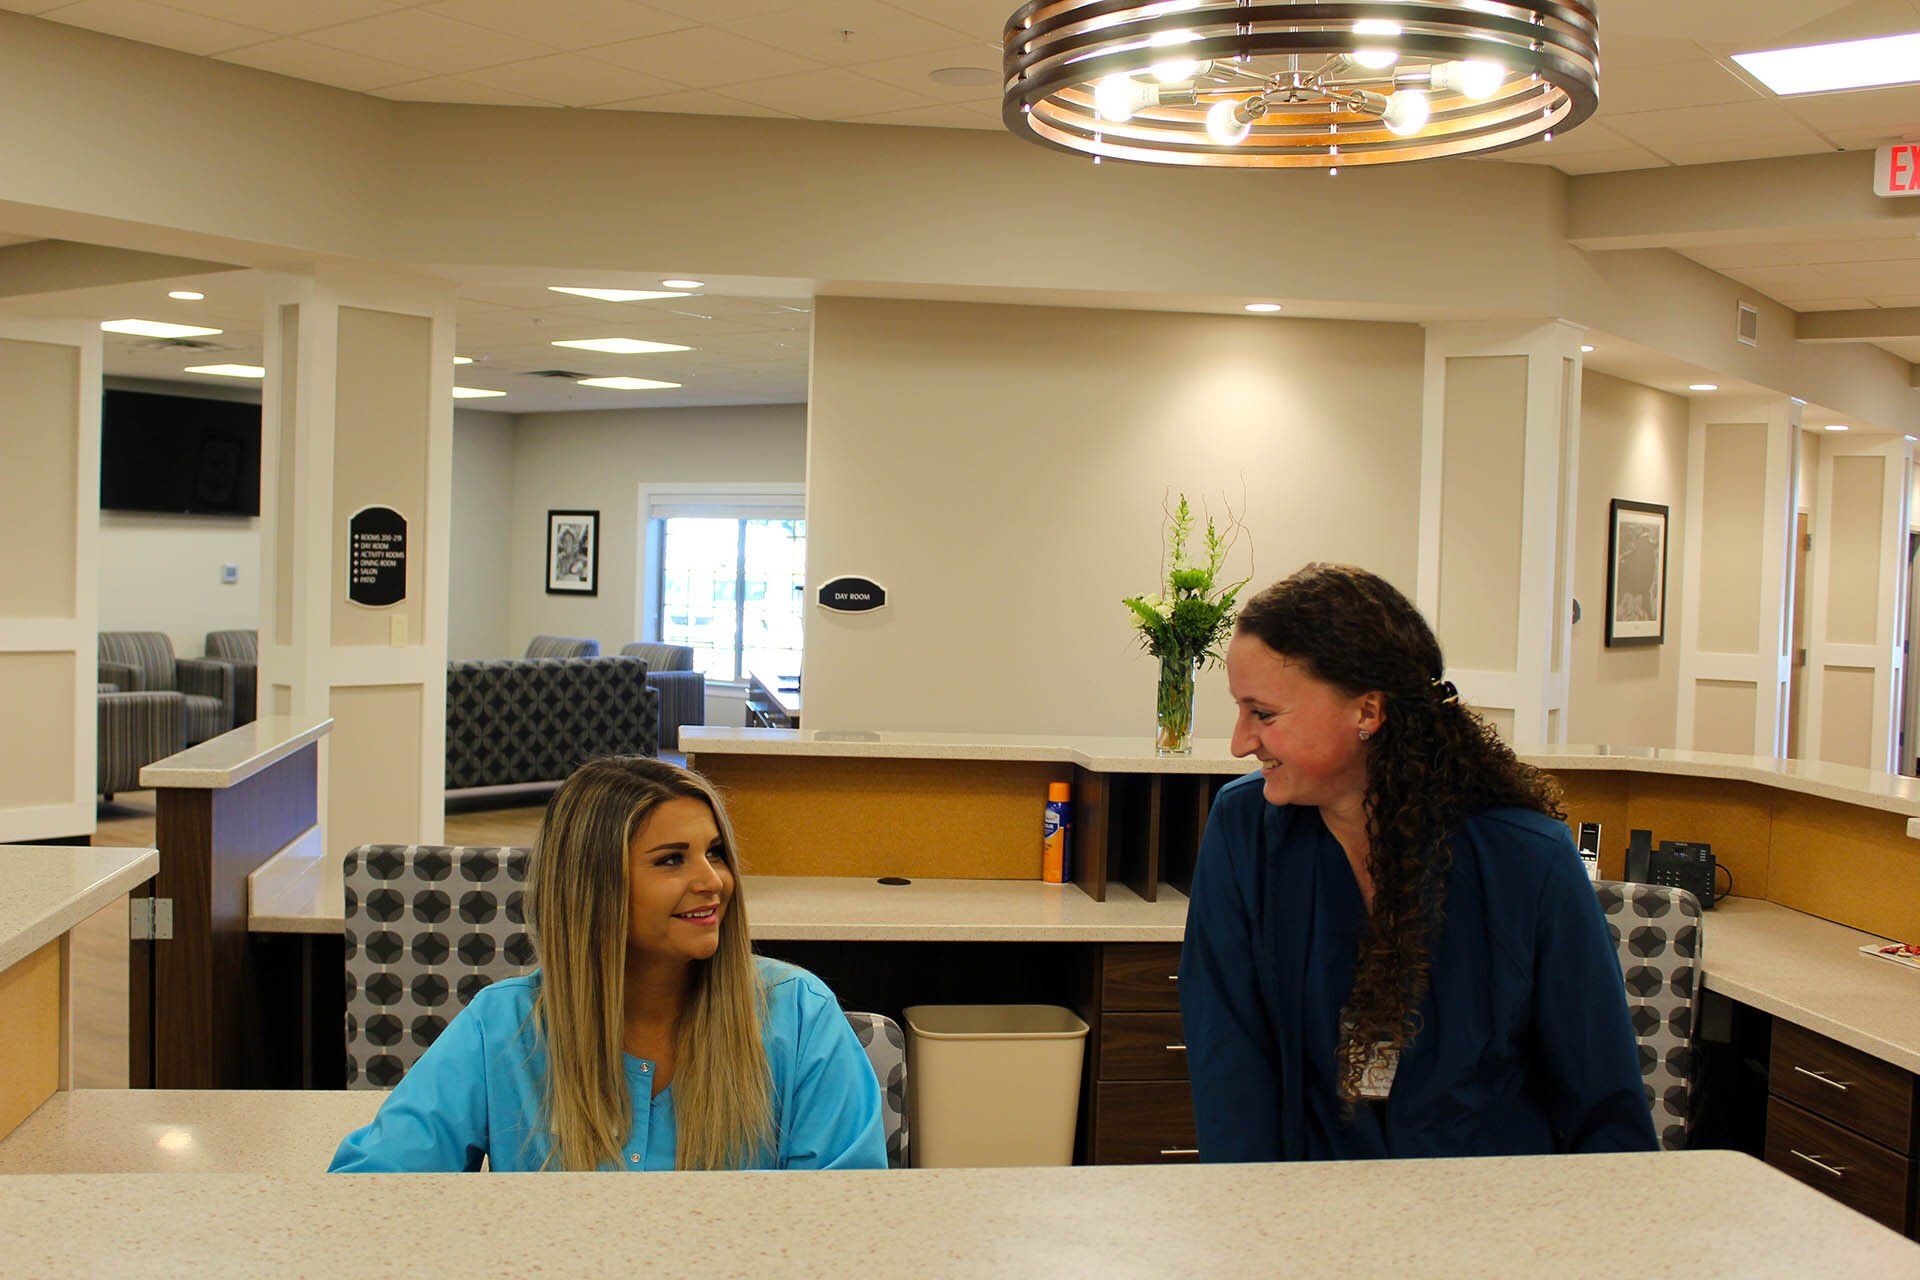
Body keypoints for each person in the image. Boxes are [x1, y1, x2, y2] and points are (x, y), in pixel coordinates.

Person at [1180, 563, 1656, 1161]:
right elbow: (1229, 1065)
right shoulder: (1242, 830)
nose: (1240, 741)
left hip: (1491, 1216)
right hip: (1309, 1211)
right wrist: (1258, 1223)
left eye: (1263, 713)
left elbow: (1603, 1103)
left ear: (1367, 712)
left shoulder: (1528, 861)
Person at [330, 756, 887, 1172]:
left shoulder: (798, 1015)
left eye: (714, 853)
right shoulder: (502, 1028)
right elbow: (371, 1192)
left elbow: (843, 1224)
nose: (713, 881)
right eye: (672, 860)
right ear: (591, 887)